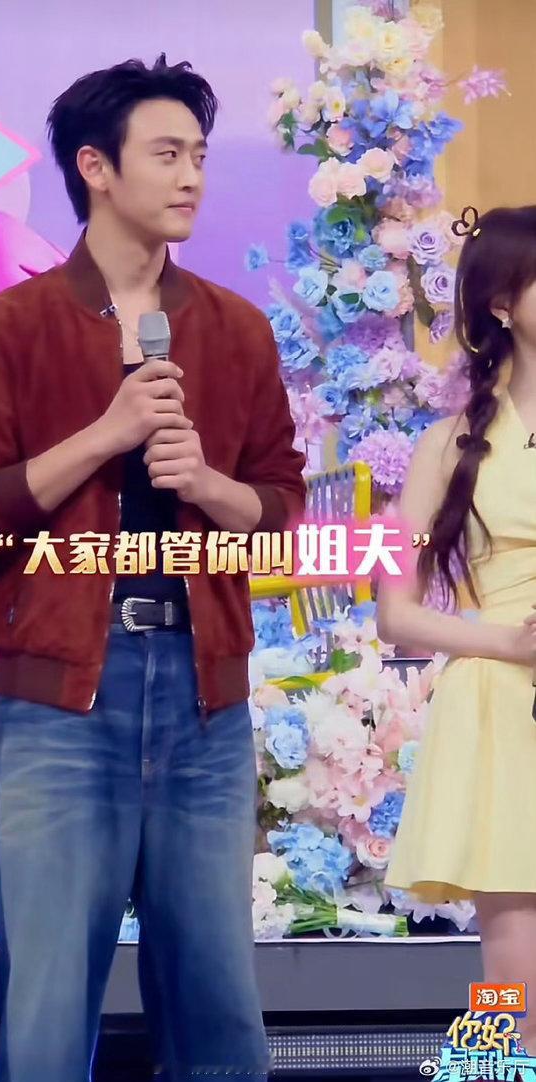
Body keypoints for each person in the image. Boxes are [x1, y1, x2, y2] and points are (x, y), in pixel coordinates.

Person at [0, 54, 306, 1082]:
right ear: (94, 166)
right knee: (47, 1015)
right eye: (166, 154)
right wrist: (104, 435)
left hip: (205, 702)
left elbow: (280, 510)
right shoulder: (6, 329)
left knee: (219, 1009)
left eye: (200, 156)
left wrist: (210, 485)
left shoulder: (234, 329)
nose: (191, 177)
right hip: (58, 703)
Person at [379, 205, 536, 1056]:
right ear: (502, 304)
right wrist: (508, 643)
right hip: (502, 700)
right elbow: (396, 610)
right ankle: (492, 1072)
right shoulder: (446, 445)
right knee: (511, 976)